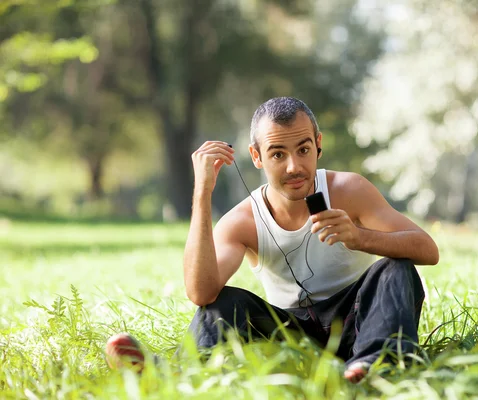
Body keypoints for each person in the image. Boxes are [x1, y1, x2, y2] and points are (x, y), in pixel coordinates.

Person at [105, 97, 439, 383]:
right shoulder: (242, 221)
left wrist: (360, 237)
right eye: (278, 154)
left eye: (303, 149)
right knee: (222, 303)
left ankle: (373, 365)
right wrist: (202, 192)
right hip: (290, 334)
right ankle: (175, 376)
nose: (295, 166)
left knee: (397, 269)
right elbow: (200, 292)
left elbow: (427, 249)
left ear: (318, 144)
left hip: (360, 320)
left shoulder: (349, 190)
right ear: (256, 156)